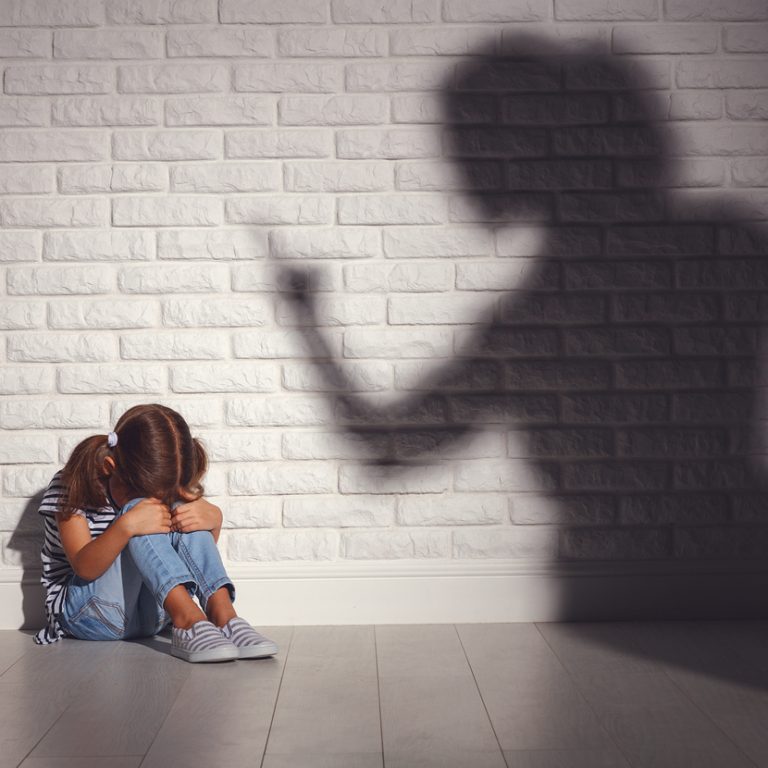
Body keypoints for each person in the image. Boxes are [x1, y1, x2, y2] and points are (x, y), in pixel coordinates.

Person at [33, 402, 278, 663]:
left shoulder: (169, 484)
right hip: (89, 616)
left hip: (156, 615)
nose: (152, 499)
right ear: (109, 466)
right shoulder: (73, 483)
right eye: (141, 490)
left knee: (183, 508)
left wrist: (213, 520)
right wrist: (127, 525)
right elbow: (84, 567)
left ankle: (223, 616)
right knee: (141, 511)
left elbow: (183, 559)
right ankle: (188, 620)